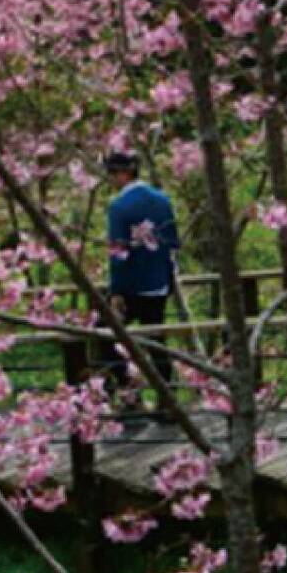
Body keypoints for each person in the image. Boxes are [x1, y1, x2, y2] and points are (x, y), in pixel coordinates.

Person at [101, 150, 178, 412]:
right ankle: (168, 401)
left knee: (103, 334)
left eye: (112, 174)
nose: (111, 180)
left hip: (132, 283)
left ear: (122, 174)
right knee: (155, 340)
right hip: (159, 282)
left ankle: (128, 392)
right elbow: (172, 243)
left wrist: (116, 291)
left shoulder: (119, 206)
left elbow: (118, 252)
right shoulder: (163, 200)